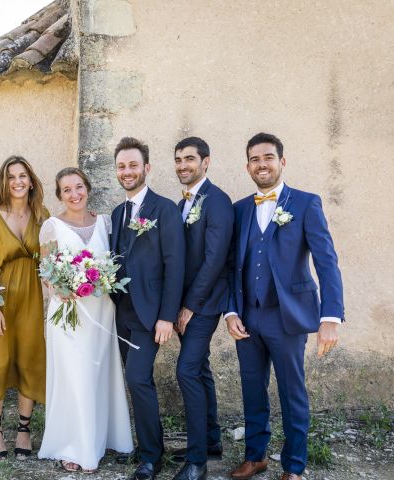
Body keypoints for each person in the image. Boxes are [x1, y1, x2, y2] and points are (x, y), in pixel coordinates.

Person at [225, 133, 344, 480]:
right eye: (255, 159)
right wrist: (231, 311)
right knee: (252, 389)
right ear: (247, 166)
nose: (262, 164)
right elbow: (233, 267)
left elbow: (327, 262)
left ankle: (294, 466)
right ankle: (256, 456)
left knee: (292, 392)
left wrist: (330, 317)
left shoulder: (306, 203)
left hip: (287, 317)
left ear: (282, 161)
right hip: (248, 317)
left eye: (268, 157)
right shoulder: (240, 209)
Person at [37, 167, 134, 473]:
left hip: (102, 311)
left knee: (100, 374)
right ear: (59, 195)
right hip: (69, 314)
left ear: (87, 188)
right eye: (67, 190)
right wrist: (59, 289)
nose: (74, 194)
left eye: (78, 187)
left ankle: (101, 437)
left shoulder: (105, 223)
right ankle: (73, 445)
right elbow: (46, 273)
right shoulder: (51, 227)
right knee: (74, 376)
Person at [110, 137, 186, 480]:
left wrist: (167, 316)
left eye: (133, 165)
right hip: (120, 314)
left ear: (147, 168)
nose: (127, 171)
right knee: (136, 382)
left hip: (150, 314)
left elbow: (175, 266)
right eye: (122, 166)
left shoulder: (164, 209)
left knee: (138, 379)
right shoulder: (117, 212)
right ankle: (147, 445)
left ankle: (152, 459)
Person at [0, 155, 47, 460]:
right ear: (4, 183)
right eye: (11, 177)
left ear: (31, 181)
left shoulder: (42, 214)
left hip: (32, 296)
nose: (17, 182)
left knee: (29, 360)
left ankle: (24, 430)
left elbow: (51, 257)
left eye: (22, 176)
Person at [172, 137, 234, 480]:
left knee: (187, 371)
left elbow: (214, 261)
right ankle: (210, 441)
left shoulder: (217, 202)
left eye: (190, 159)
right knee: (201, 368)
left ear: (205, 162)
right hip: (187, 303)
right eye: (179, 159)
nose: (183, 165)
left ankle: (197, 462)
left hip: (204, 304)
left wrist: (189, 307)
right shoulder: (185, 202)